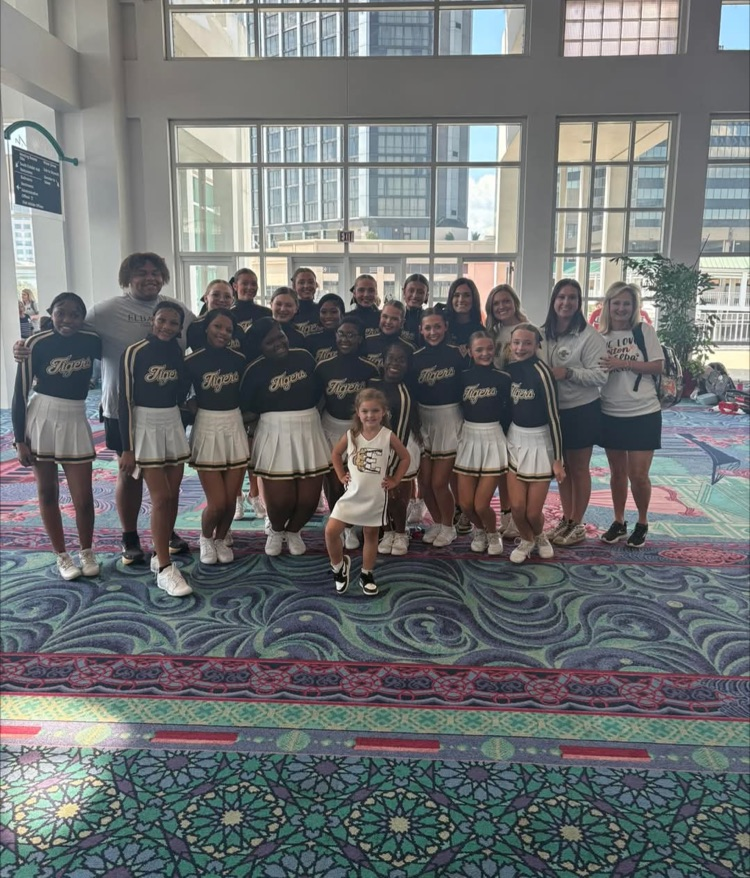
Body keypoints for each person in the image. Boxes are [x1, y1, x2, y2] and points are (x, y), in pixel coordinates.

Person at [13, 253, 195, 567]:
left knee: (166, 477)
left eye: (155, 272)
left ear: (163, 276)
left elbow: (203, 334)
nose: (149, 278)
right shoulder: (108, 310)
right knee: (131, 473)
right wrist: (25, 345)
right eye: (141, 273)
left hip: (164, 407)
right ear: (127, 277)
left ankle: (165, 530)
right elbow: (66, 327)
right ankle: (129, 537)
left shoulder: (178, 309)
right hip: (119, 406)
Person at [12, 293, 102, 581]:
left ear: (82, 317)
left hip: (75, 416)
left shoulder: (91, 340)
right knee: (47, 492)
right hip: (42, 416)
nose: (68, 320)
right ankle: (61, 555)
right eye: (61, 313)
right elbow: (20, 392)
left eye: (75, 314)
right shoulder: (36, 344)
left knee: (83, 496)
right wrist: (19, 439)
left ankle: (86, 550)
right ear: (50, 313)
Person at [119, 302, 192, 597]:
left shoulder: (177, 352)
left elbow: (180, 391)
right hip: (144, 423)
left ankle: (157, 554)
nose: (166, 327)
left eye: (173, 323)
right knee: (160, 497)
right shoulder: (134, 351)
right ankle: (165, 567)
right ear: (152, 320)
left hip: (171, 420)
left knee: (173, 496)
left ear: (179, 328)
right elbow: (123, 401)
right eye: (162, 320)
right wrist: (127, 447)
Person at [241, 318, 330, 556]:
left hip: (308, 428)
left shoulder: (304, 357)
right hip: (274, 430)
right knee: (280, 501)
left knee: (309, 500)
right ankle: (277, 530)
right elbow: (246, 408)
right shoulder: (254, 369)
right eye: (270, 341)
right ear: (259, 345)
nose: (278, 343)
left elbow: (322, 391)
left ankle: (294, 531)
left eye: (280, 336)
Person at [540, 279, 608, 547]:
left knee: (579, 468)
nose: (566, 303)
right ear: (553, 300)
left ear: (579, 303)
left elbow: (601, 375)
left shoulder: (589, 337)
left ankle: (578, 523)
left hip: (581, 410)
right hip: (552, 413)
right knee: (563, 469)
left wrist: (569, 373)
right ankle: (567, 520)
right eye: (561, 297)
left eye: (572, 298)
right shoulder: (542, 332)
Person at [598, 281, 664, 548]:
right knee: (616, 473)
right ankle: (619, 520)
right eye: (616, 303)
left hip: (643, 411)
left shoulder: (644, 332)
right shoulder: (599, 336)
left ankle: (643, 522)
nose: (621, 308)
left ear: (634, 307)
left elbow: (657, 366)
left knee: (638, 474)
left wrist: (622, 363)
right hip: (610, 411)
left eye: (627, 303)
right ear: (608, 306)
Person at [325, 389, 410, 597]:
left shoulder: (388, 436)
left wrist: (395, 479)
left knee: (371, 535)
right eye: (365, 411)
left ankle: (367, 574)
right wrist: (341, 474)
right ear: (357, 412)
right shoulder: (351, 435)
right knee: (330, 531)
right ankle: (338, 567)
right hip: (352, 495)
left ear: (384, 412)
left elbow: (405, 458)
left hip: (375, 496)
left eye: (375, 411)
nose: (370, 415)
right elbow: (336, 454)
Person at [184, 308, 248, 565]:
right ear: (206, 328)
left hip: (234, 423)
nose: (222, 333)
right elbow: (182, 396)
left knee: (231, 497)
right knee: (217, 501)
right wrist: (191, 407)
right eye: (217, 327)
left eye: (228, 330)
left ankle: (221, 537)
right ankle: (205, 537)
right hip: (207, 426)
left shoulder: (239, 359)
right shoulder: (191, 361)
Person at [315, 318, 379, 547]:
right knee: (334, 481)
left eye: (351, 335)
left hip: (358, 431)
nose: (345, 339)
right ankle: (340, 523)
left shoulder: (369, 368)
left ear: (360, 339)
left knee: (357, 480)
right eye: (341, 334)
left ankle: (353, 524)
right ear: (335, 336)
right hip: (330, 426)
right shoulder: (323, 366)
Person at [505, 323, 565, 564]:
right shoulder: (508, 370)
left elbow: (554, 416)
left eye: (527, 343)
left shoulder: (543, 372)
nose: (521, 348)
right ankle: (527, 539)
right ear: (510, 345)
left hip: (540, 442)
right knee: (517, 508)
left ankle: (540, 536)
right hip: (514, 439)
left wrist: (558, 459)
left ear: (537, 345)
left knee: (532, 510)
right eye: (516, 343)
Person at [410, 308, 465, 548]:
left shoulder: (458, 355)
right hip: (424, 419)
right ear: (420, 330)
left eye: (437, 327)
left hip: (449, 418)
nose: (433, 332)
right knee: (425, 482)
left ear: (445, 327)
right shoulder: (416, 357)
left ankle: (449, 526)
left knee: (440, 482)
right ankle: (439, 522)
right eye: (428, 328)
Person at [455, 332, 511, 556]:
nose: (485, 353)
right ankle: (479, 529)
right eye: (479, 349)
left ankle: (492, 532)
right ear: (470, 351)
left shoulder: (503, 378)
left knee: (480, 504)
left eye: (489, 348)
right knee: (466, 504)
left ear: (494, 349)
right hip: (468, 436)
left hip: (493, 437)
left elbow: (509, 412)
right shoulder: (462, 377)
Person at [368, 341, 421, 556]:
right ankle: (387, 530)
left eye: (401, 360)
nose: (395, 363)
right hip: (376, 445)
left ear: (408, 365)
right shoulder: (372, 383)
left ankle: (400, 532)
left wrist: (393, 459)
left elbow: (401, 430)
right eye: (391, 358)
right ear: (383, 360)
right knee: (380, 495)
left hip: (401, 447)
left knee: (398, 495)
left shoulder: (405, 391)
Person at [484, 283, 528, 538]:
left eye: (505, 302)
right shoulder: (494, 333)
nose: (501, 307)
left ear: (514, 302)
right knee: (502, 464)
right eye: (496, 304)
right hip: (498, 403)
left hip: (521, 403)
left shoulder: (528, 329)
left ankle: (520, 512)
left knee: (519, 464)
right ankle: (507, 514)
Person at [187, 280, 246, 355]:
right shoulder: (194, 326)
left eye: (227, 297)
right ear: (206, 298)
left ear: (232, 301)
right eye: (216, 295)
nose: (221, 300)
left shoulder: (238, 329)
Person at [362, 300, 416, 371]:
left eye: (394, 319)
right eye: (385, 316)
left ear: (402, 322)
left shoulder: (409, 348)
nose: (388, 322)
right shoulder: (368, 341)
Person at [444, 278, 485, 359]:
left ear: (474, 299)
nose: (461, 300)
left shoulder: (481, 332)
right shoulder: (443, 327)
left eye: (466, 295)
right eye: (456, 295)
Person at [306, 293, 345, 364]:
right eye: (323, 312)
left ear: (342, 313)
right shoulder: (311, 340)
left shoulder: (349, 339)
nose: (328, 316)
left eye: (333, 312)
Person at [232, 268, 271, 332]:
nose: (250, 287)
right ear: (235, 286)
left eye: (253, 284)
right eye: (245, 284)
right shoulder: (228, 315)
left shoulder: (267, 313)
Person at [290, 267, 324, 339]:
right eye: (301, 282)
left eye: (311, 282)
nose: (306, 286)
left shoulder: (323, 311)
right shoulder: (289, 312)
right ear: (294, 286)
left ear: (316, 285)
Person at [401, 273, 430, 347]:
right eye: (411, 290)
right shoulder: (394, 316)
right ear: (404, 292)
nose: (415, 295)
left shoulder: (430, 319)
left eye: (420, 292)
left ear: (426, 296)